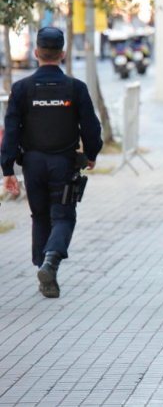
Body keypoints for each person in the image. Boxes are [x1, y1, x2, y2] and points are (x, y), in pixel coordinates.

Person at [1, 27, 103, 298]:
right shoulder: (75, 88)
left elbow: (11, 129)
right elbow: (91, 128)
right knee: (64, 216)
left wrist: (7, 168)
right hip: (63, 164)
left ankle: (44, 272)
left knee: (40, 216)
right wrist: (92, 154)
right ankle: (50, 261)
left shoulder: (22, 89)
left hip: (32, 164)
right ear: (63, 54)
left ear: (36, 53)